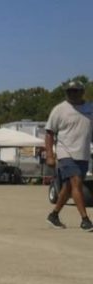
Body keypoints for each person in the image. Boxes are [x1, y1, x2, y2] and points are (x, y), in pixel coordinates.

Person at [45, 80, 93, 230]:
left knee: (68, 187)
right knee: (76, 182)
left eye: (74, 91)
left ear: (81, 92)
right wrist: (50, 155)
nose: (71, 94)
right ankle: (85, 220)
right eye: (68, 91)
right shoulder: (59, 110)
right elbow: (49, 133)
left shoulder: (90, 108)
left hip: (83, 154)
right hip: (65, 153)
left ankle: (54, 215)